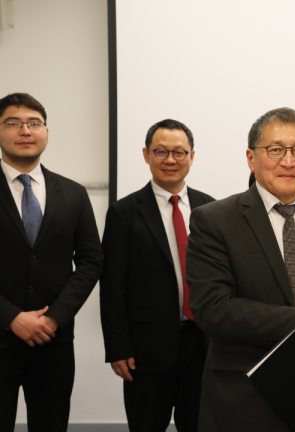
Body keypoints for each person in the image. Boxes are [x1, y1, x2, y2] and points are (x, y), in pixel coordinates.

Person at [185, 107, 295, 432]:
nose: (289, 161)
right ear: (251, 158)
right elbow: (212, 309)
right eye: (275, 149)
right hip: (244, 403)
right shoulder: (214, 220)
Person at [100, 119, 215, 431]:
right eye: (161, 151)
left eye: (179, 152)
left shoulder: (211, 208)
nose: (170, 160)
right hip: (146, 349)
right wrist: (117, 348)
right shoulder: (124, 212)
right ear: (146, 154)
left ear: (192, 156)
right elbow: (112, 287)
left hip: (203, 345)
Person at [0, 93, 103, 432]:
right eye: (13, 123)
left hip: (52, 341)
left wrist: (54, 318)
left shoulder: (73, 193)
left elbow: (91, 260)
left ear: (46, 131)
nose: (25, 130)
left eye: (34, 123)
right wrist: (12, 317)